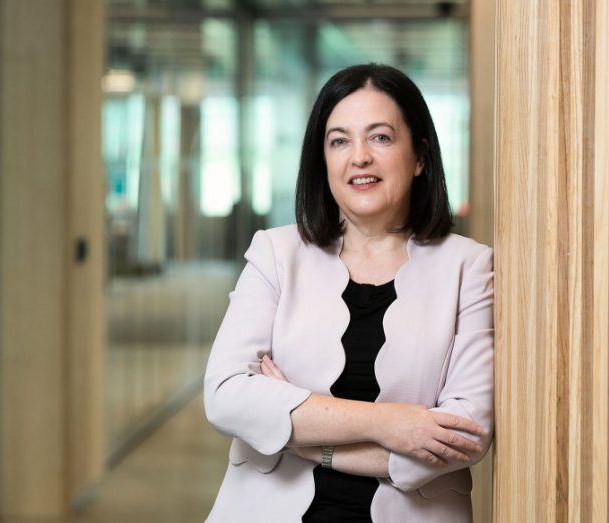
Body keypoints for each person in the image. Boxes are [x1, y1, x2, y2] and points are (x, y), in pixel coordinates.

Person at [203, 63, 494, 522]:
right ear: (323, 160)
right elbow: (226, 395)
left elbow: (463, 435)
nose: (359, 156)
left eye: (380, 137)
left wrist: (299, 435)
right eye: (339, 140)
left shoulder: (469, 267)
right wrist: (394, 424)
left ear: (419, 157)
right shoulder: (276, 253)